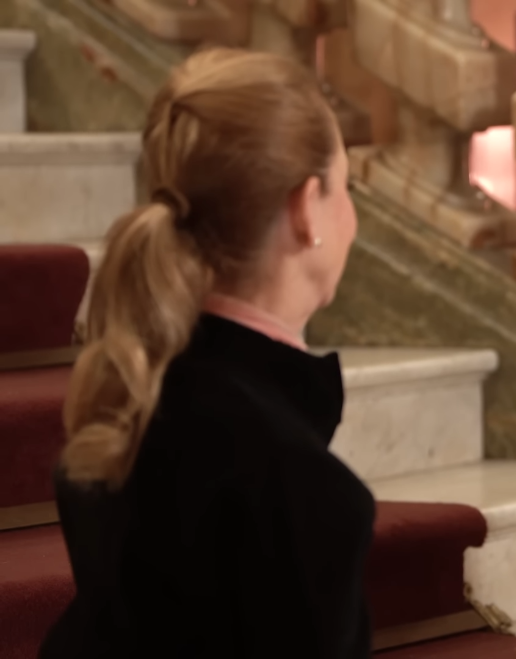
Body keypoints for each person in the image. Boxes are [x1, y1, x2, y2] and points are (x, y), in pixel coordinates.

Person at [40, 48, 371, 658]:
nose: (352, 215)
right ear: (306, 211)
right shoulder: (298, 485)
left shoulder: (127, 407)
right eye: (345, 188)